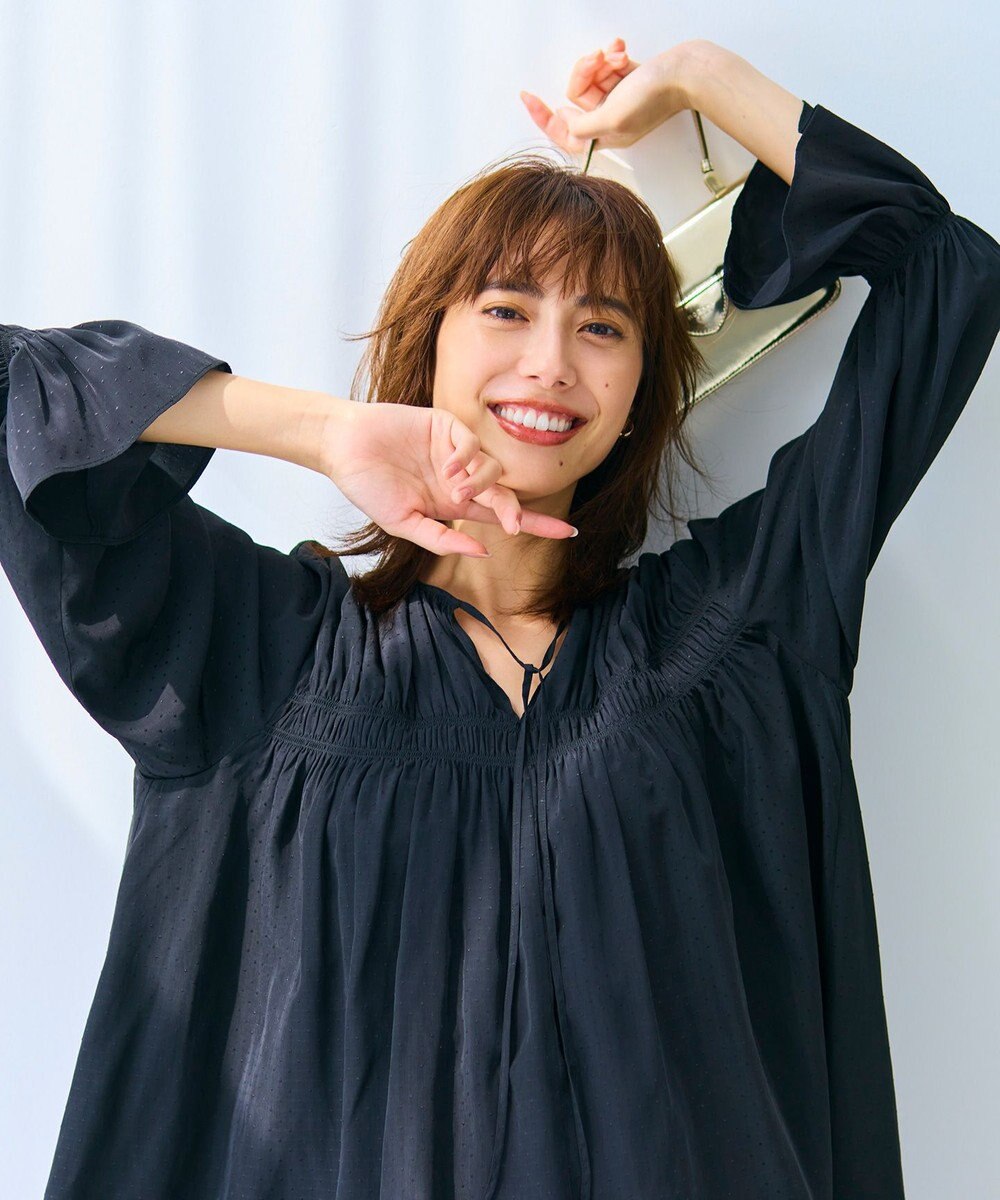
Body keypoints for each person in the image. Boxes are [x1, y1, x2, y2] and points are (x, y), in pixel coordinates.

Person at [2, 34, 998, 1200]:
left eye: (603, 327)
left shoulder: (735, 637)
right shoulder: (253, 653)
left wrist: (693, 76)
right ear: (429, 339)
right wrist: (325, 431)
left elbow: (947, 276)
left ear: (641, 389)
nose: (551, 363)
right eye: (506, 309)